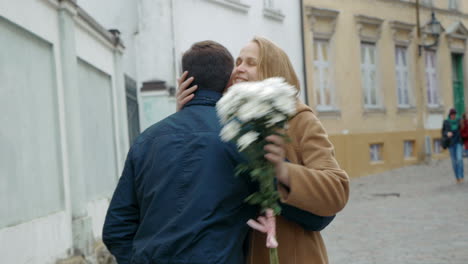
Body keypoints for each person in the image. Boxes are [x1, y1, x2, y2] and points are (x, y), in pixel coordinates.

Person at [177, 36, 350, 264]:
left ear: (273, 71)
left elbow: (336, 190)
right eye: (238, 62)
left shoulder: (299, 119)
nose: (239, 68)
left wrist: (283, 170)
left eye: (250, 62)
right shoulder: (226, 122)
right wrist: (188, 115)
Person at [102, 41, 259, 264]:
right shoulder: (244, 139)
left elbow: (116, 229)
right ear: (228, 83)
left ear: (184, 79)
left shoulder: (147, 141)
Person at [442, 108, 464, 183]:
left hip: (458, 142)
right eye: (452, 114)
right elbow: (443, 132)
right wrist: (447, 133)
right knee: (454, 161)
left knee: (459, 159)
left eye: (454, 114)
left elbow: (464, 127)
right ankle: (457, 177)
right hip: (451, 144)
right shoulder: (446, 122)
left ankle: (461, 176)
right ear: (450, 115)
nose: (453, 116)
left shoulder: (459, 120)